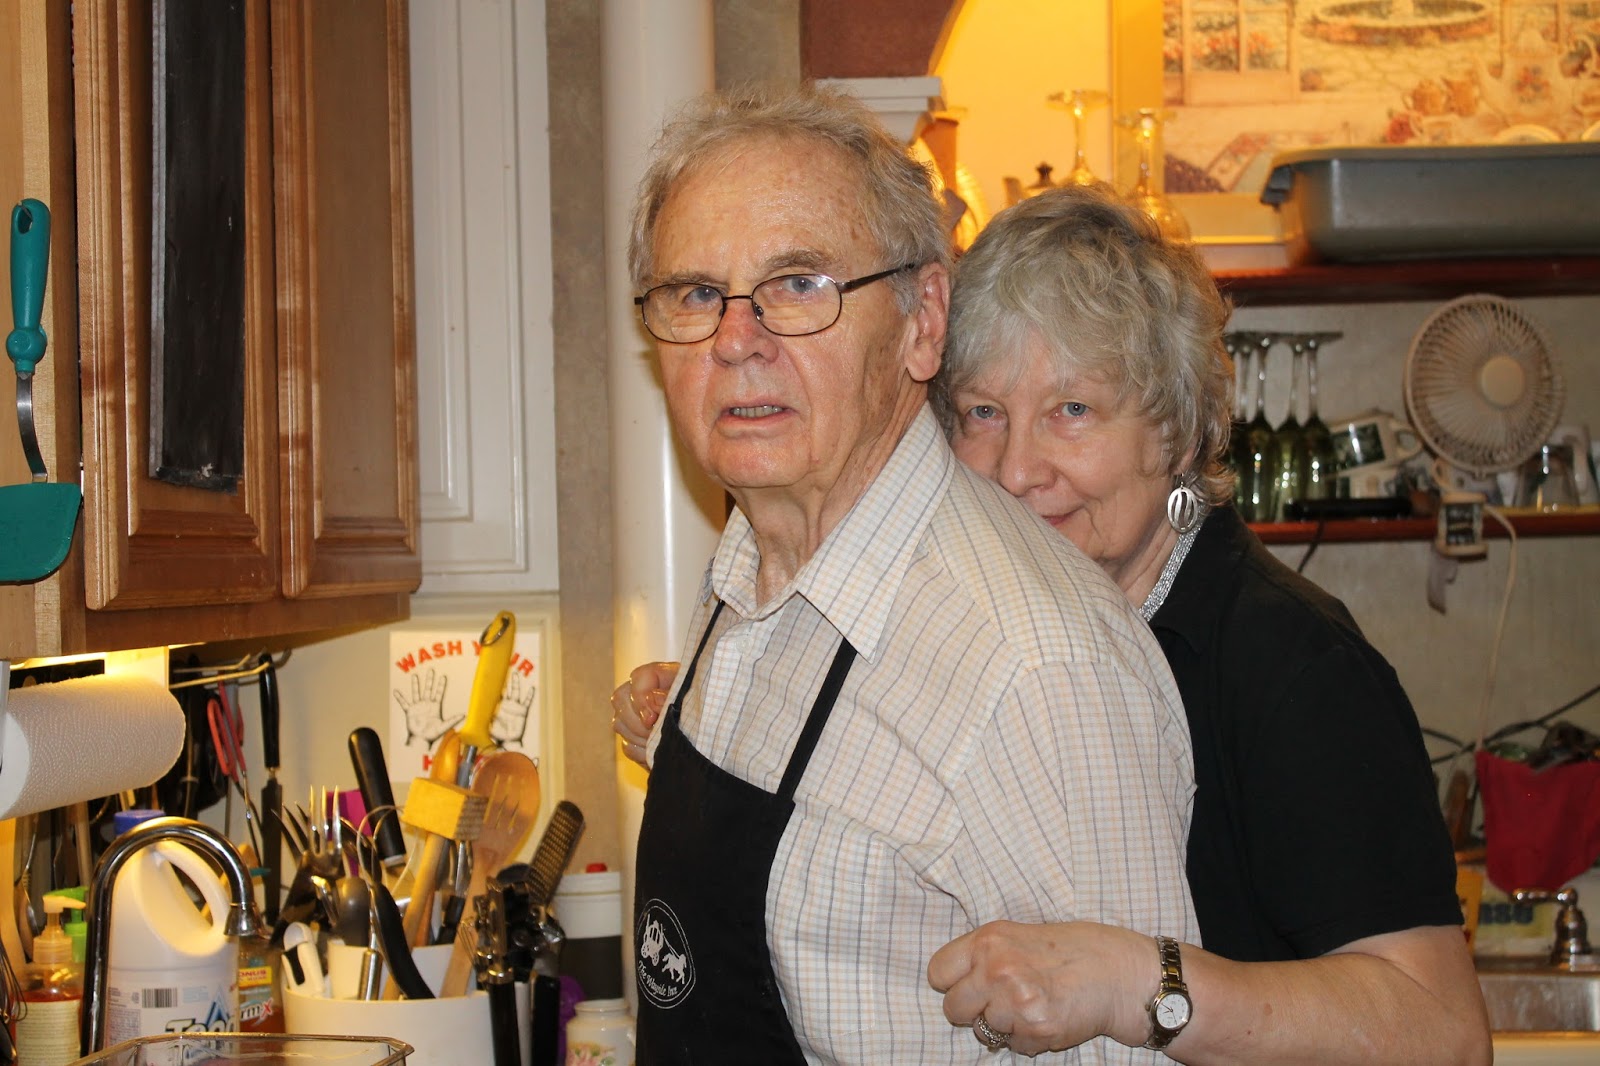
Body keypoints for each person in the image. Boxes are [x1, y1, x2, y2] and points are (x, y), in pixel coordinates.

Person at [617, 182, 1492, 1064]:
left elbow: (1443, 1034)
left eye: (1073, 411)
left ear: (1181, 434)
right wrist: (725, 705)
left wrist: (1143, 982)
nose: (1015, 470)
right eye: (983, 413)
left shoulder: (1293, 668)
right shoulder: (970, 618)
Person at [621, 85, 1197, 1064]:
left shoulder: (1038, 669)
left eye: (799, 284)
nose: (735, 340)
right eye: (695, 294)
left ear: (923, 319)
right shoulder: (745, 570)